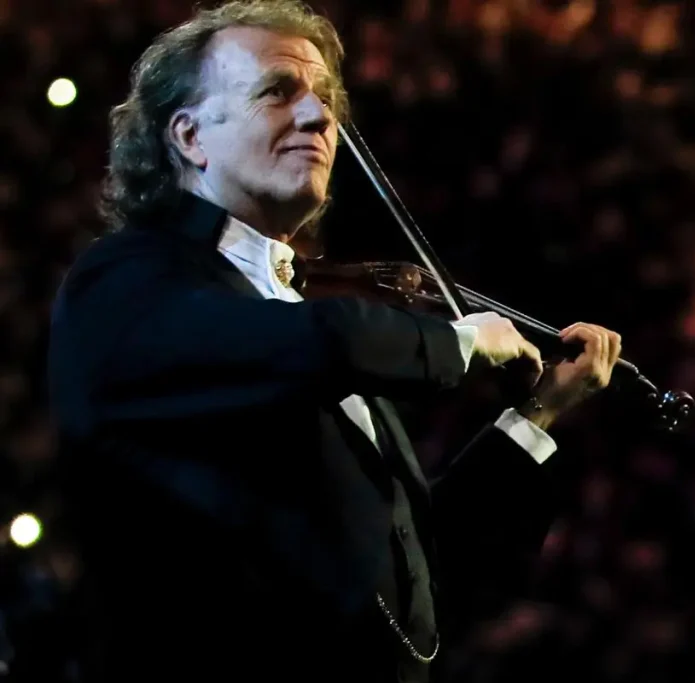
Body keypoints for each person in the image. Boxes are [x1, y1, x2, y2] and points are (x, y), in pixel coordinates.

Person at [46, 1, 622, 681]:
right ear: (190, 136)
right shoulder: (125, 279)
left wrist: (536, 416)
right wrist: (457, 343)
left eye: (325, 98)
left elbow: (413, 584)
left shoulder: (300, 317)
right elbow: (317, 343)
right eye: (278, 91)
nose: (322, 118)